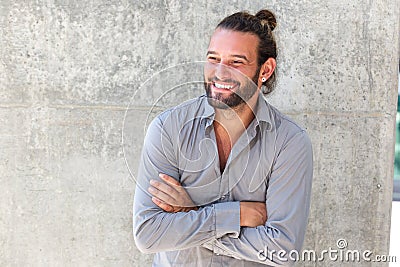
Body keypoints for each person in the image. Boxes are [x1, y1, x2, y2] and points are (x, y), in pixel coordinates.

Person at [133, 9, 313, 266]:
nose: (219, 72)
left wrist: (192, 213)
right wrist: (235, 215)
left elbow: (281, 250)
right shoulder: (168, 128)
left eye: (236, 62)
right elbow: (149, 234)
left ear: (266, 69)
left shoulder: (289, 142)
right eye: (213, 58)